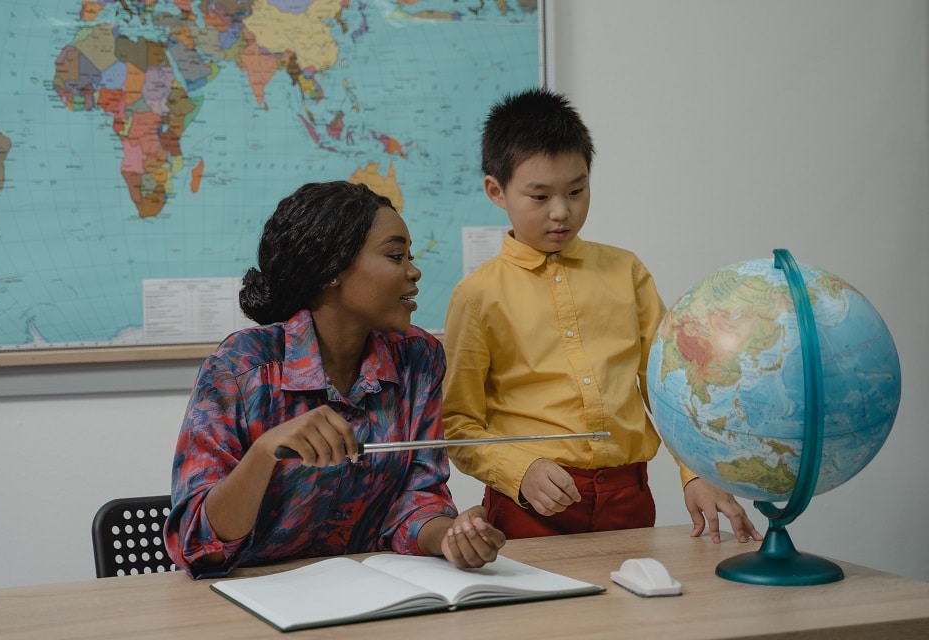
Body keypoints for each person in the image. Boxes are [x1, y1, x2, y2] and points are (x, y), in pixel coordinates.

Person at [442, 88, 762, 544]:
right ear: (497, 191)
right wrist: (519, 471)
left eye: (577, 190)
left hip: (627, 496)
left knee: (630, 610)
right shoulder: (476, 297)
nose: (562, 212)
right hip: (530, 502)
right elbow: (459, 425)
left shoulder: (625, 271)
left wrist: (696, 472)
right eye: (539, 196)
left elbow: (667, 384)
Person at [165, 181, 506, 579]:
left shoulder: (418, 358)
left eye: (409, 256)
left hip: (371, 594)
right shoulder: (240, 369)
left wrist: (451, 536)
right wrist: (263, 453)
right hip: (251, 600)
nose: (414, 271)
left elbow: (416, 500)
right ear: (332, 270)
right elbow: (195, 543)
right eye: (396, 255)